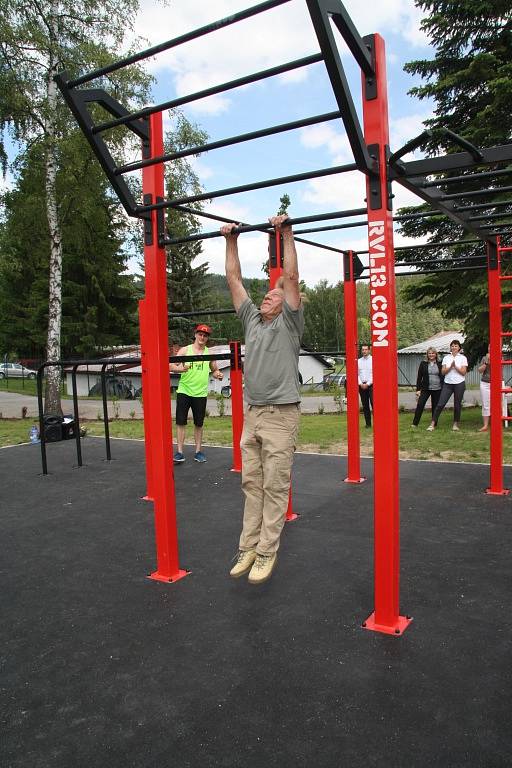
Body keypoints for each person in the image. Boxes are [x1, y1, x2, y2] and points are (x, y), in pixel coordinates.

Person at [221, 214, 303, 585]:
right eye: (269, 293)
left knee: (275, 486)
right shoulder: (253, 321)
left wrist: (284, 232)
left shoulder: (289, 323)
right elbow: (233, 280)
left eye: (275, 293)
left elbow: (292, 279)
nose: (269, 295)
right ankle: (248, 546)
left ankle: (267, 550)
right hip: (252, 415)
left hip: (281, 416)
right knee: (251, 484)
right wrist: (230, 240)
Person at [170, 323, 224, 463]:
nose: (202, 337)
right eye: (200, 334)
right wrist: (180, 369)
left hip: (200, 393)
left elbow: (214, 369)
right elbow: (170, 365)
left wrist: (218, 374)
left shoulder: (209, 353)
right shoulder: (185, 350)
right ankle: (180, 452)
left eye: (205, 335)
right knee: (181, 422)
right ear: (195, 335)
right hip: (184, 391)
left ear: (207, 338)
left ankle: (198, 451)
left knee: (198, 423)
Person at [427, 339, 467, 431]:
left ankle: (455, 424)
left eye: (456, 346)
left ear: (459, 348)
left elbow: (463, 372)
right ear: (450, 347)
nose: (454, 347)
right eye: (452, 346)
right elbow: (443, 372)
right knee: (440, 404)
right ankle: (432, 424)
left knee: (457, 405)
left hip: (459, 383)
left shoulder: (463, 358)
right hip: (448, 383)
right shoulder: (446, 358)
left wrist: (455, 367)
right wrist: (450, 367)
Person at [411, 346, 443, 427]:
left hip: (438, 388)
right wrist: (418, 390)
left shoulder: (440, 363)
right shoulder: (423, 363)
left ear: (436, 354)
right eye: (429, 353)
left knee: (435, 407)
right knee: (420, 404)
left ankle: (434, 424)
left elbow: (443, 375)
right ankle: (415, 423)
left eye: (433, 353)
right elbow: (419, 377)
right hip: (425, 388)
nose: (431, 355)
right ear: (427, 355)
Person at [357, 344, 373, 427]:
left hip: (371, 385)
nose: (364, 351)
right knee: (365, 405)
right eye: (363, 350)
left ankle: (378, 424)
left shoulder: (373, 360)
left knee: (374, 404)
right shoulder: (358, 361)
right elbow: (356, 374)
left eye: (366, 349)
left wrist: (368, 383)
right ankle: (368, 424)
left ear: (369, 350)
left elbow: (374, 374)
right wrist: (360, 383)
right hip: (361, 385)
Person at [478, 345, 491, 432]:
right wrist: (487, 362)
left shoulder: (500, 356)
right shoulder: (484, 358)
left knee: (498, 403)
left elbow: (500, 368)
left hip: (497, 382)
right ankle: (485, 425)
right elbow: (480, 371)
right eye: (489, 347)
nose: (490, 349)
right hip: (485, 383)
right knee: (485, 404)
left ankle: (499, 422)